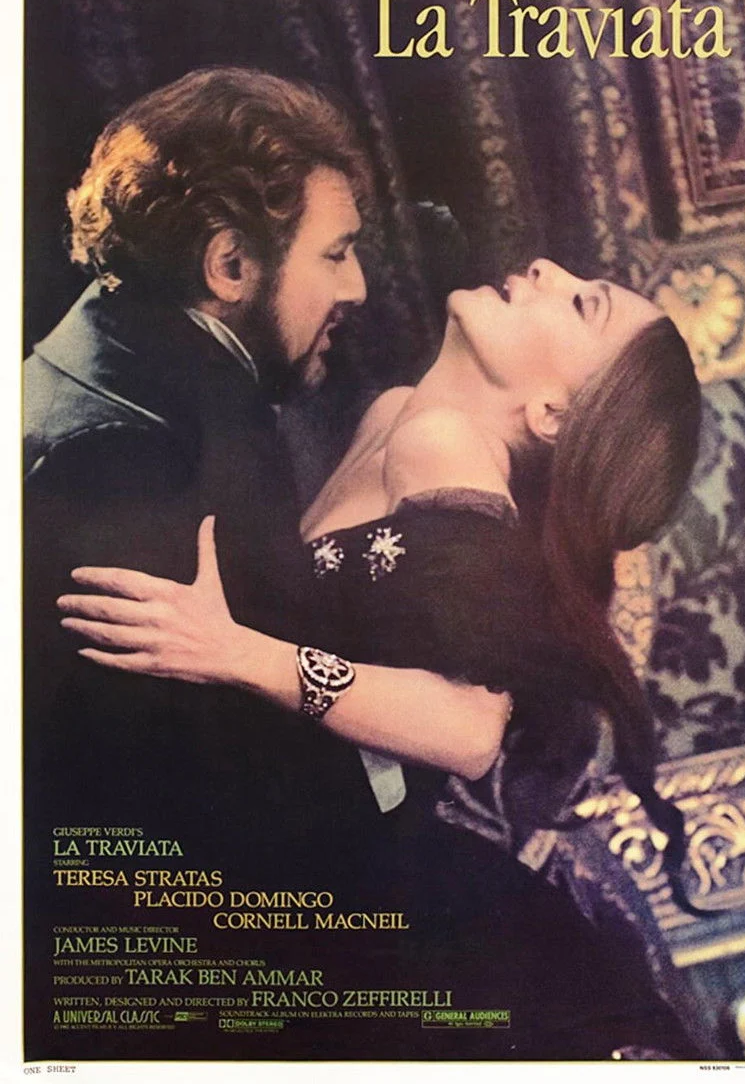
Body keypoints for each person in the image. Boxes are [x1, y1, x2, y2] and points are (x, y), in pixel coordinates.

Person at [58, 255, 705, 1059]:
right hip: (310, 852)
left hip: (356, 885)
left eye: (582, 305)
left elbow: (470, 729)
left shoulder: (444, 444)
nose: (546, 267)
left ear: (551, 413)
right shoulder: (397, 414)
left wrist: (232, 651)